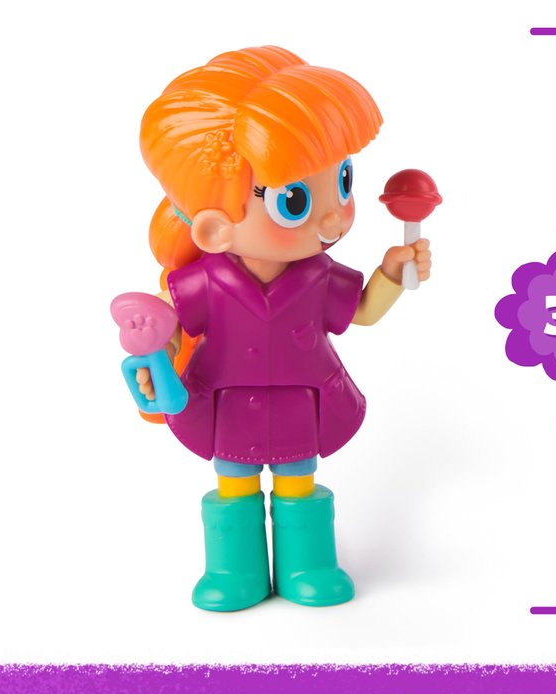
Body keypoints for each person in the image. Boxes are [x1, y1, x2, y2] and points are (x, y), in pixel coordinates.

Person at [133, 46, 431, 611]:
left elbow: (363, 311)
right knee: (235, 484)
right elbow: (169, 328)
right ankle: (233, 570)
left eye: (343, 179)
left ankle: (308, 565)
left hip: (301, 400)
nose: (334, 215)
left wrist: (392, 273)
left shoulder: (318, 275)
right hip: (227, 403)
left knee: (299, 480)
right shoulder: (202, 283)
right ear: (215, 230)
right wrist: (156, 358)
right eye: (295, 200)